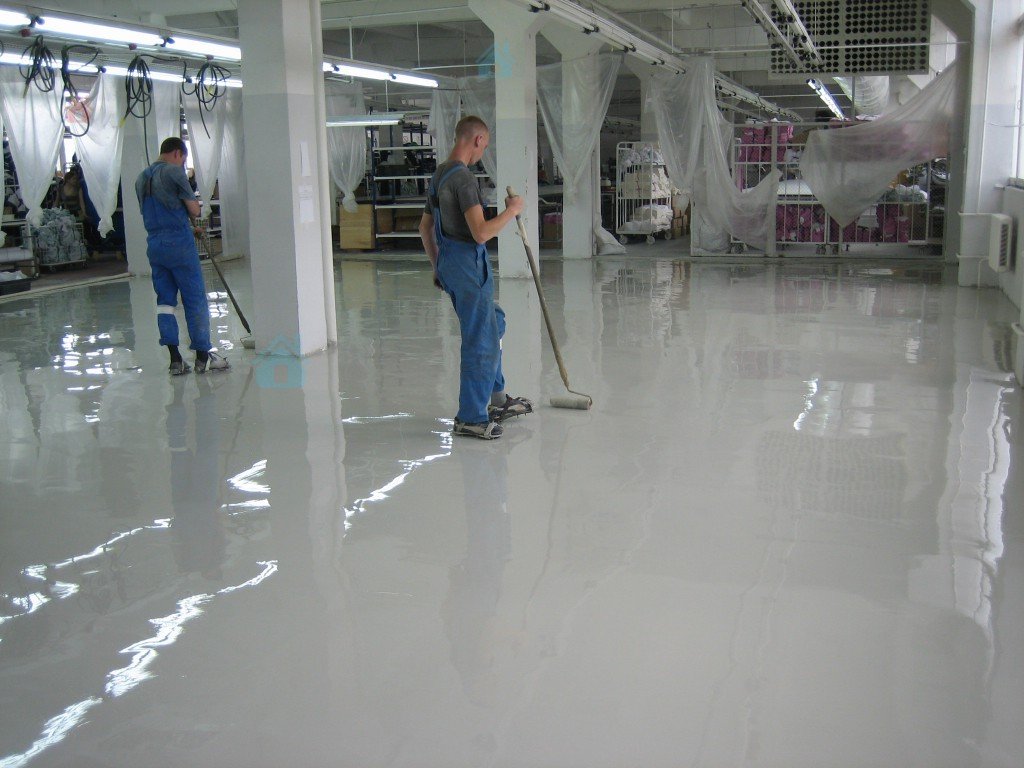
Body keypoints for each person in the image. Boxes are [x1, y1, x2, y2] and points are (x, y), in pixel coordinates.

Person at [419, 115, 532, 440]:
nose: (484, 151)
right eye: (485, 145)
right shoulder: (464, 179)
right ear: (478, 140)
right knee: (480, 338)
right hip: (468, 266)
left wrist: (438, 267)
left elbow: (425, 228)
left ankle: (497, 399)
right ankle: (470, 417)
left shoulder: (440, 174)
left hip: (451, 263)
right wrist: (512, 211)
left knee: (494, 322)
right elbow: (481, 233)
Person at [135, 137, 228, 375]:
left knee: (165, 302)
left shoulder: (141, 178)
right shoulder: (174, 173)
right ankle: (202, 357)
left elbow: (158, 213)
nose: (182, 164)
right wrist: (191, 219)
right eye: (183, 160)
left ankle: (175, 360)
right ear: (177, 153)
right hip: (179, 246)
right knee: (194, 298)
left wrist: (185, 227)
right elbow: (194, 210)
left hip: (155, 245)